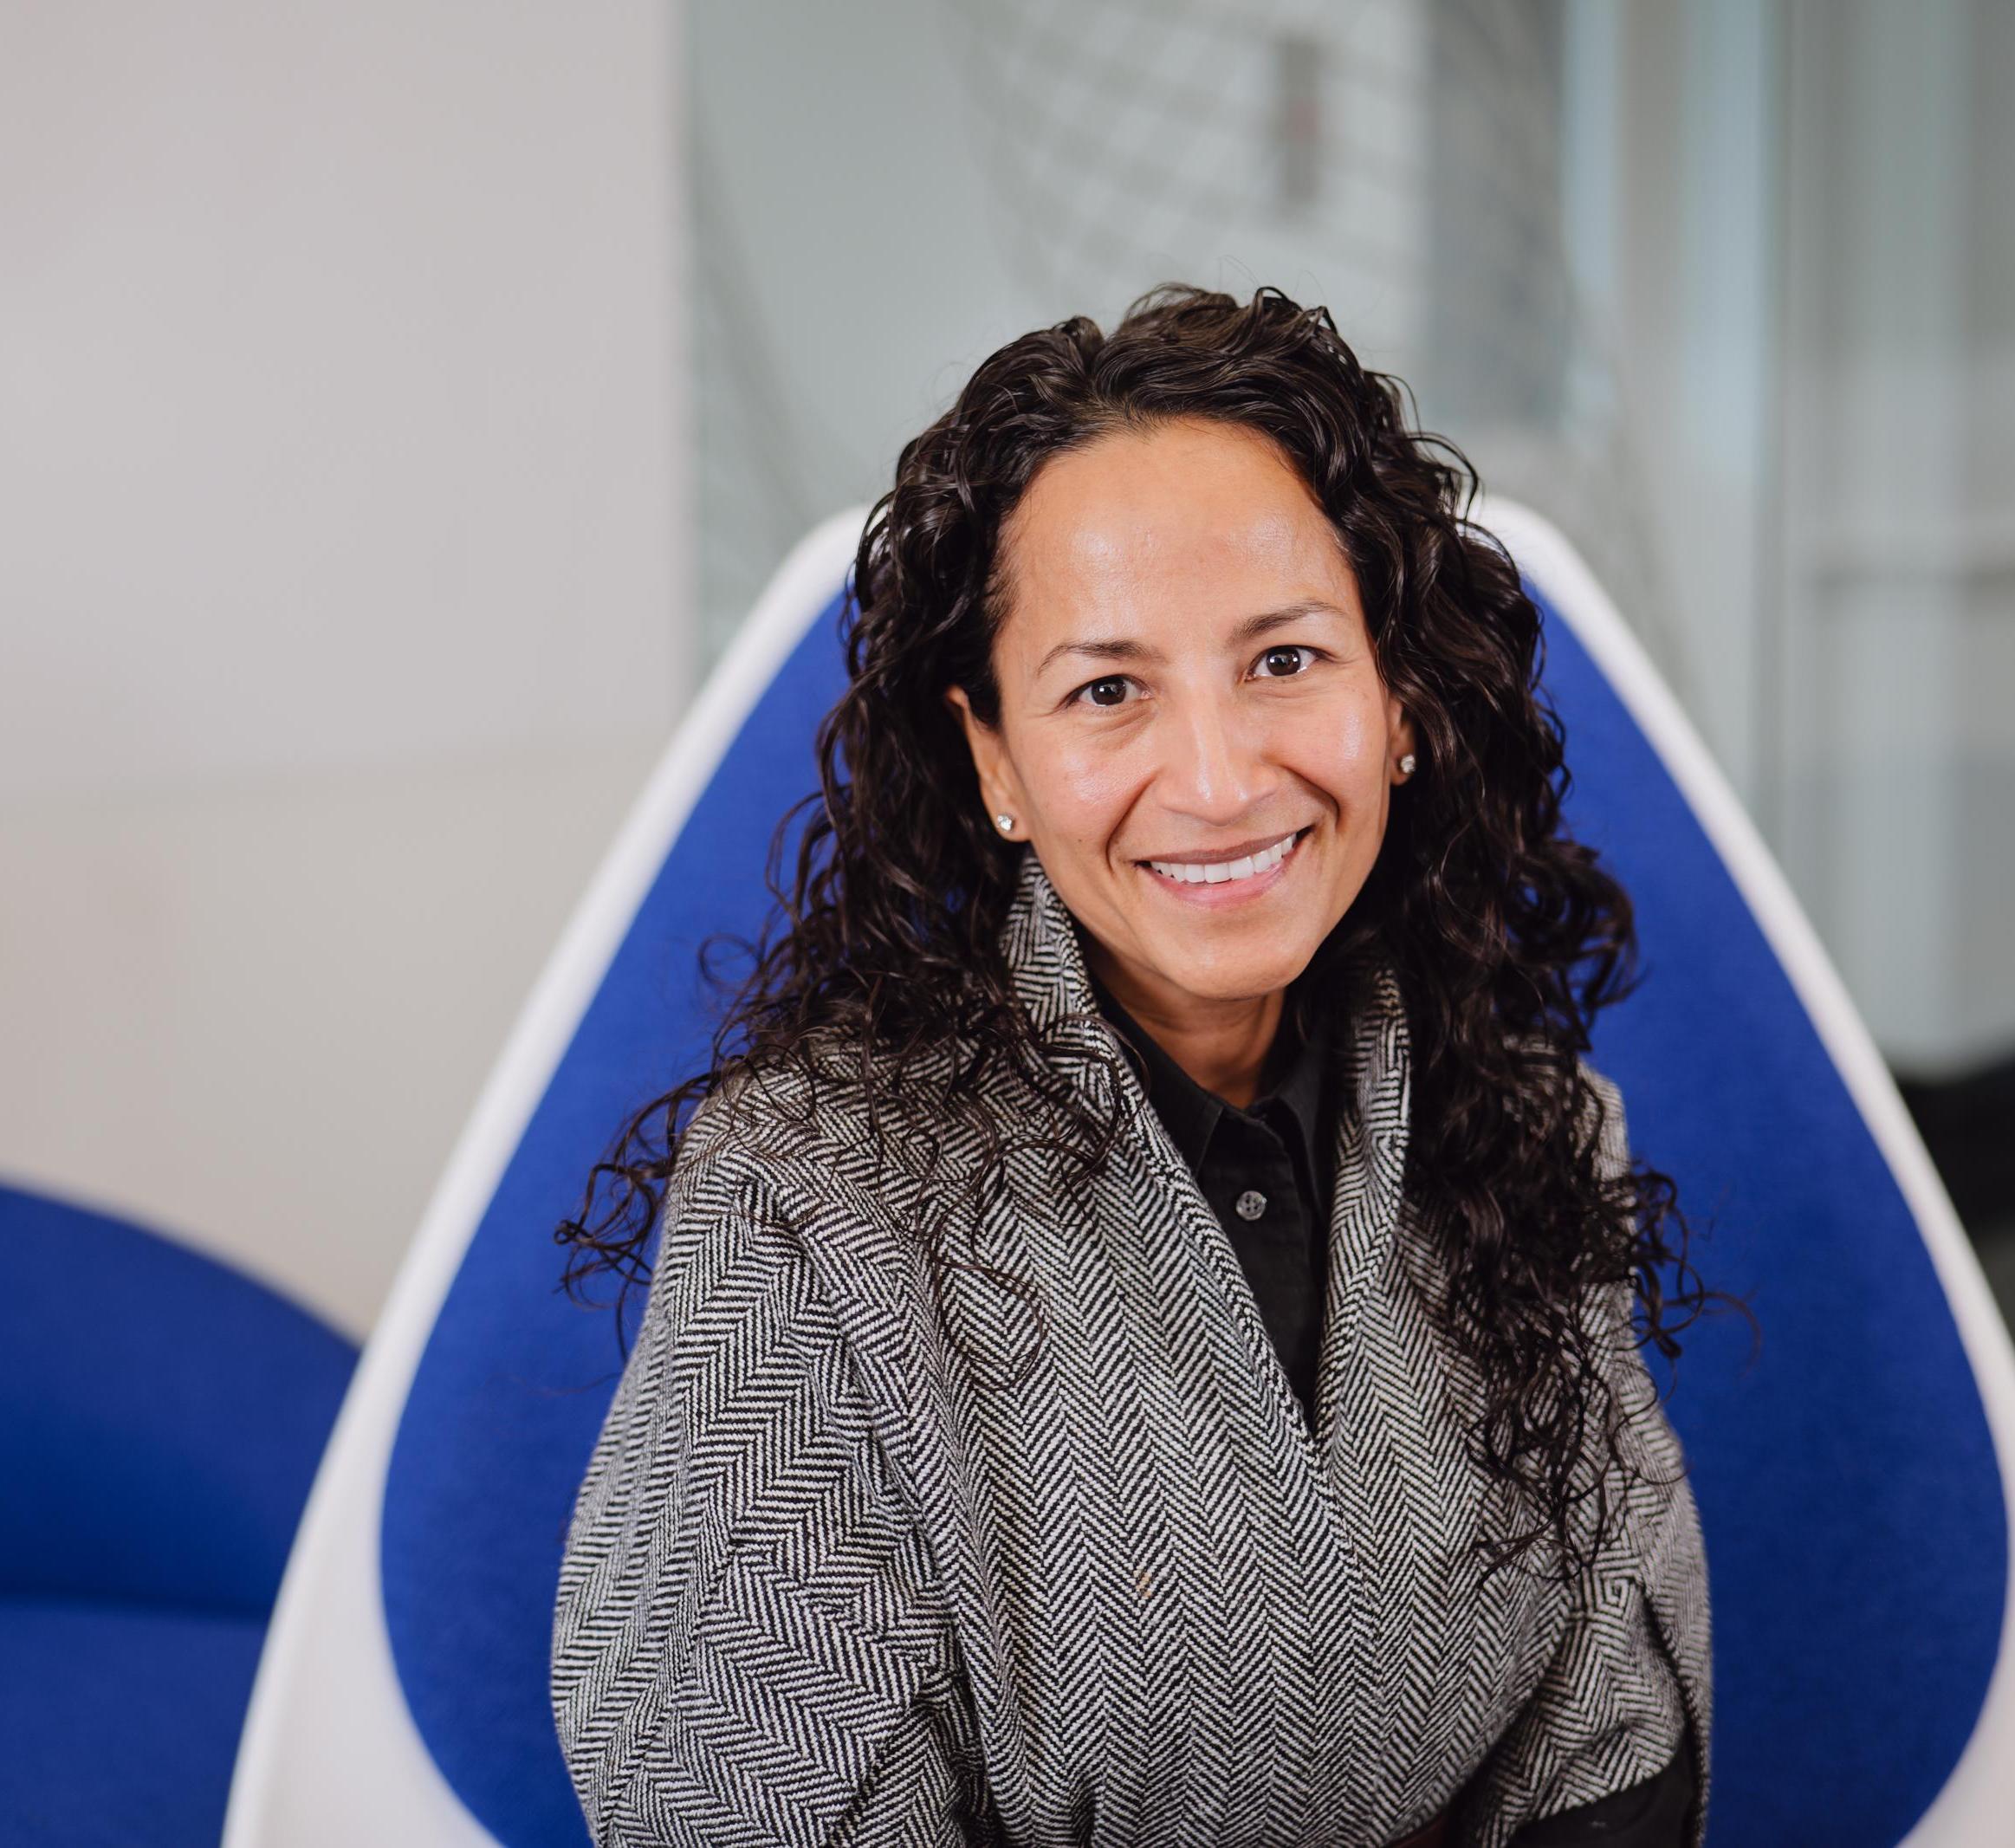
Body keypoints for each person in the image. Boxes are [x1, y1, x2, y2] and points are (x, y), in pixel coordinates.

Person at [549, 284, 1713, 1848]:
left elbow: (1615, 1740)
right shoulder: (808, 1203)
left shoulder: (1539, 1134)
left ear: (1400, 703)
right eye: (1108, 690)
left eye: (1286, 659)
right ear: (995, 763)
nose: (1223, 779)